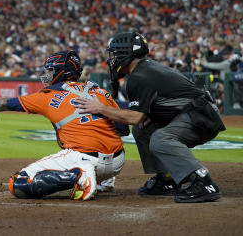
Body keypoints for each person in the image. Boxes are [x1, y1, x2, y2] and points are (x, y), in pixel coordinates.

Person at [74, 32, 225, 203]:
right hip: (194, 112)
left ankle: (203, 182)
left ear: (126, 54)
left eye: (114, 54)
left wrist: (100, 108)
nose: (111, 59)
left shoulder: (140, 76)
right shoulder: (144, 69)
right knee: (143, 130)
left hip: (202, 116)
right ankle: (167, 179)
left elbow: (134, 117)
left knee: (160, 139)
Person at [0, 50, 125, 201]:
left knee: (18, 183)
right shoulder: (100, 91)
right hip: (117, 162)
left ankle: (81, 176)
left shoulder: (48, 96)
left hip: (85, 158)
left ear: (62, 72)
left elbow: (4, 103)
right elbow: (123, 129)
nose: (47, 74)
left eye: (51, 70)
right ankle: (104, 181)